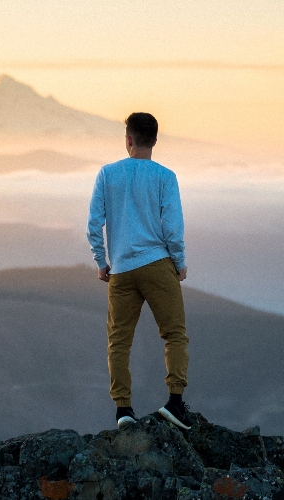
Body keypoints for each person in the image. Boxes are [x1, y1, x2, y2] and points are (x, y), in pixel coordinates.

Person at [86, 112, 193, 430]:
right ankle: (175, 402)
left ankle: (123, 410)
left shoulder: (108, 174)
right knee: (174, 334)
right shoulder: (165, 176)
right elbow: (172, 228)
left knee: (118, 341)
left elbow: (94, 224)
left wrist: (101, 261)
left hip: (120, 269)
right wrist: (179, 261)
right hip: (157, 264)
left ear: (128, 139)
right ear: (155, 140)